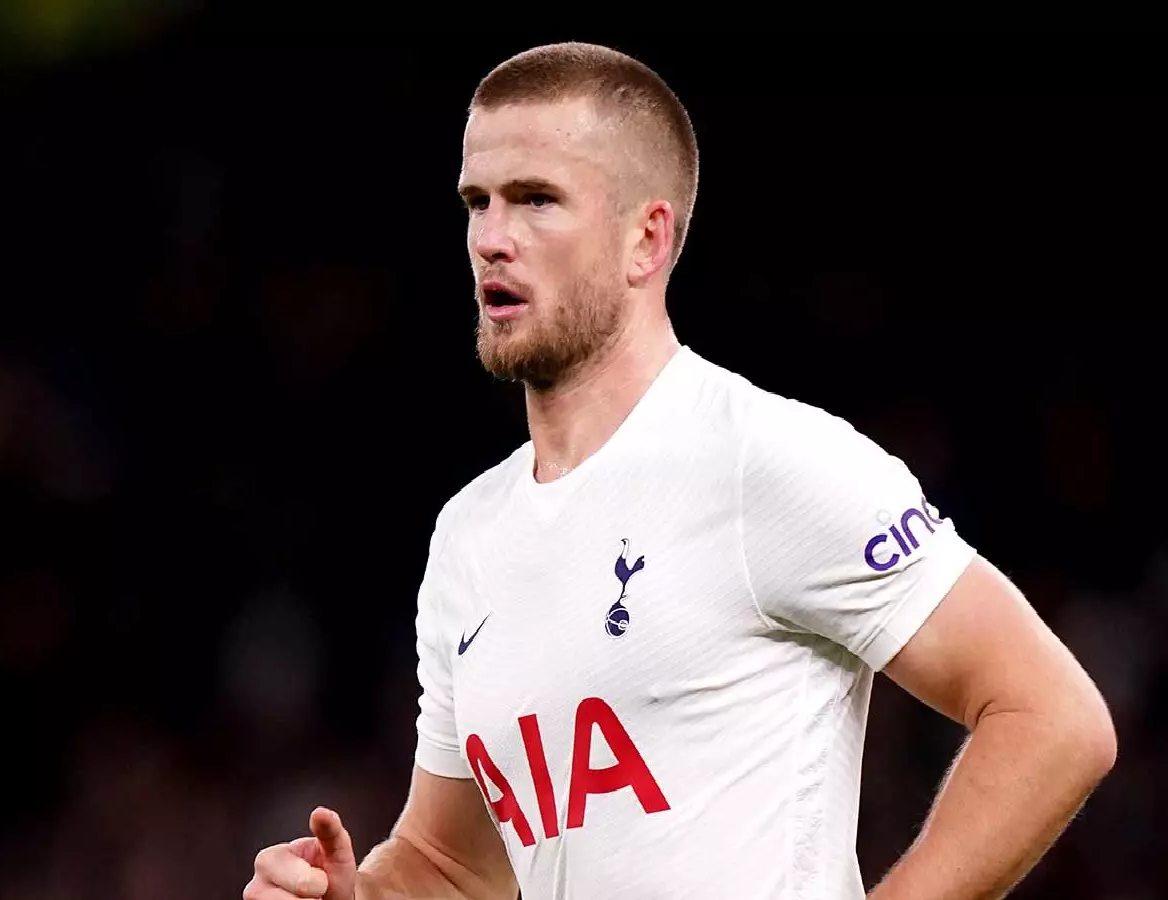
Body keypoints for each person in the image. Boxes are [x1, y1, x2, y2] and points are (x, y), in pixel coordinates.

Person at [244, 42, 1116, 900]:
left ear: (646, 239)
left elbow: (1053, 719)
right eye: (478, 202)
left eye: (537, 200)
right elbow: (453, 865)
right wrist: (352, 897)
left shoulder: (762, 462)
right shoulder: (470, 534)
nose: (492, 239)